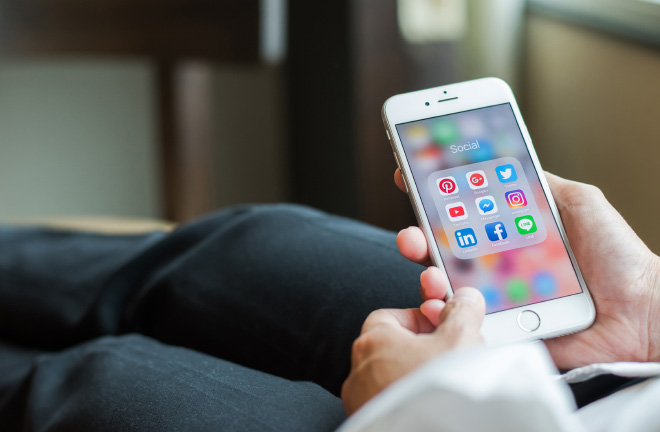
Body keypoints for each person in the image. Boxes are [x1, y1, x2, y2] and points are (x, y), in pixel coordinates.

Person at [0, 171, 658, 431]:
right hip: (633, 376)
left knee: (109, 390)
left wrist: (432, 407)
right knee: (254, 247)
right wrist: (649, 313)